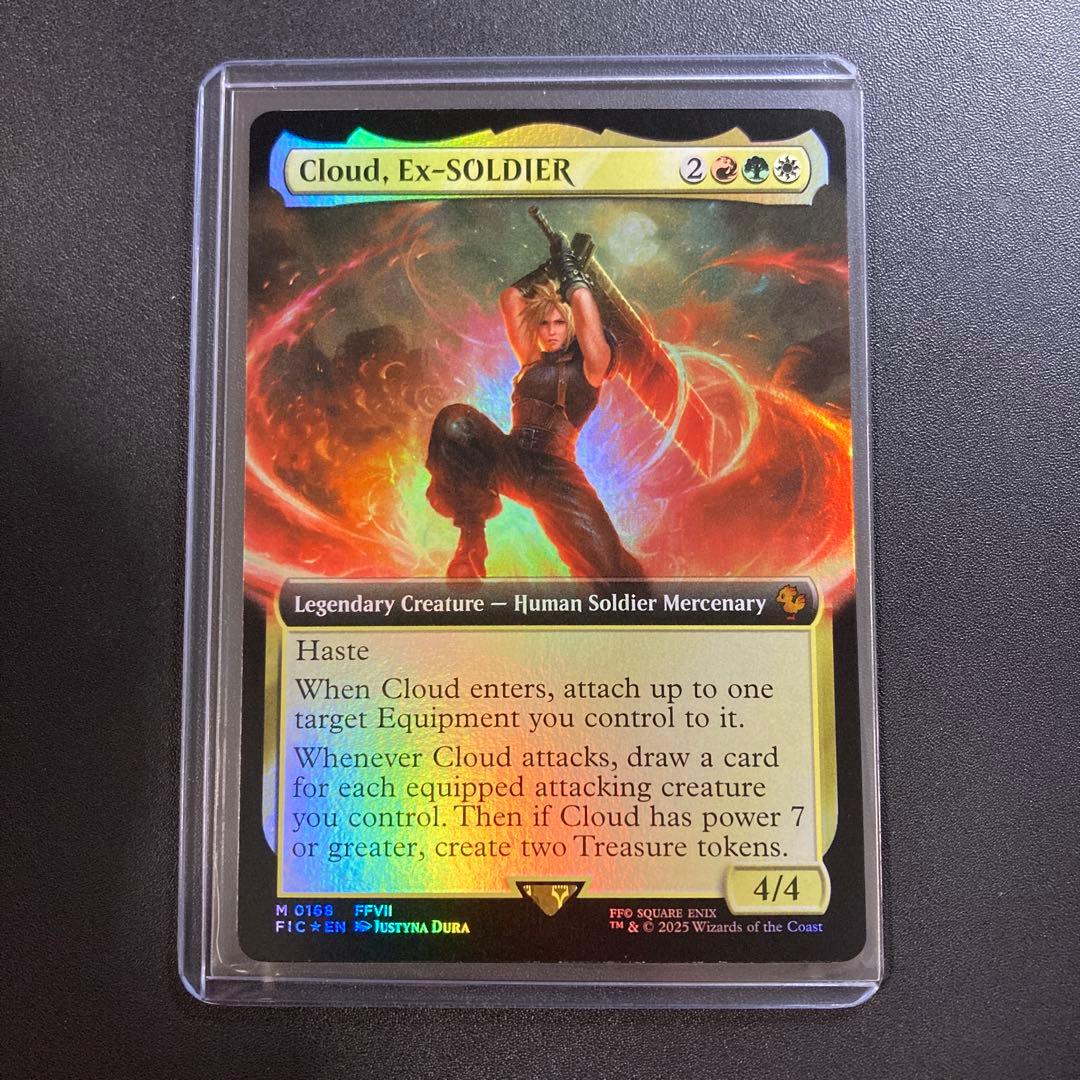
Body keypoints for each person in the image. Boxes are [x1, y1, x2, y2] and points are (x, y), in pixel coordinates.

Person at [425, 236, 645, 580]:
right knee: (455, 421)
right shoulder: (531, 360)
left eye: (560, 323)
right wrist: (550, 268)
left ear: (572, 326)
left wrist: (570, 270)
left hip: (556, 477)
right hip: (512, 460)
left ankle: (638, 609)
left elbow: (583, 307)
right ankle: (471, 541)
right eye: (544, 323)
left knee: (610, 570)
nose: (551, 331)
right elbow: (511, 298)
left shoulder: (592, 366)